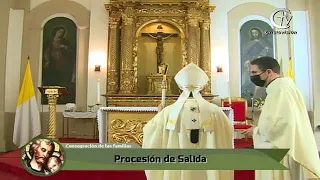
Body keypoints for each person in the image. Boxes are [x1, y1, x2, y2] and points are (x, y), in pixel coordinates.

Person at [143, 63, 234, 180]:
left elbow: (151, 133)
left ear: (181, 87)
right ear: (201, 87)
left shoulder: (168, 112)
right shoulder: (216, 112)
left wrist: (159, 114)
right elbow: (226, 134)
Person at [242, 56, 320, 179]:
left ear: (268, 72)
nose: (252, 77)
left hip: (278, 147)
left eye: (254, 72)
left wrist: (256, 131)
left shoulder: (279, 89)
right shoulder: (283, 86)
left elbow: (277, 125)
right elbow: (279, 118)